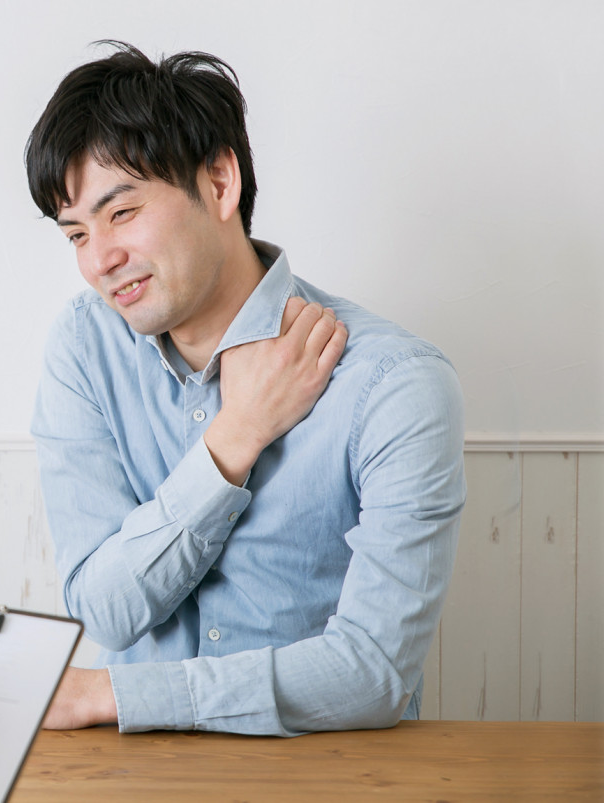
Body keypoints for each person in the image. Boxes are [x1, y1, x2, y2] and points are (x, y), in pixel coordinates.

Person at [25, 43, 466, 736]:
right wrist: (234, 438)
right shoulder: (84, 349)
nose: (98, 261)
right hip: (137, 778)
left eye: (121, 213)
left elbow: (373, 671)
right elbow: (105, 609)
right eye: (75, 233)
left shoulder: (394, 385)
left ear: (221, 182)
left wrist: (118, 695)